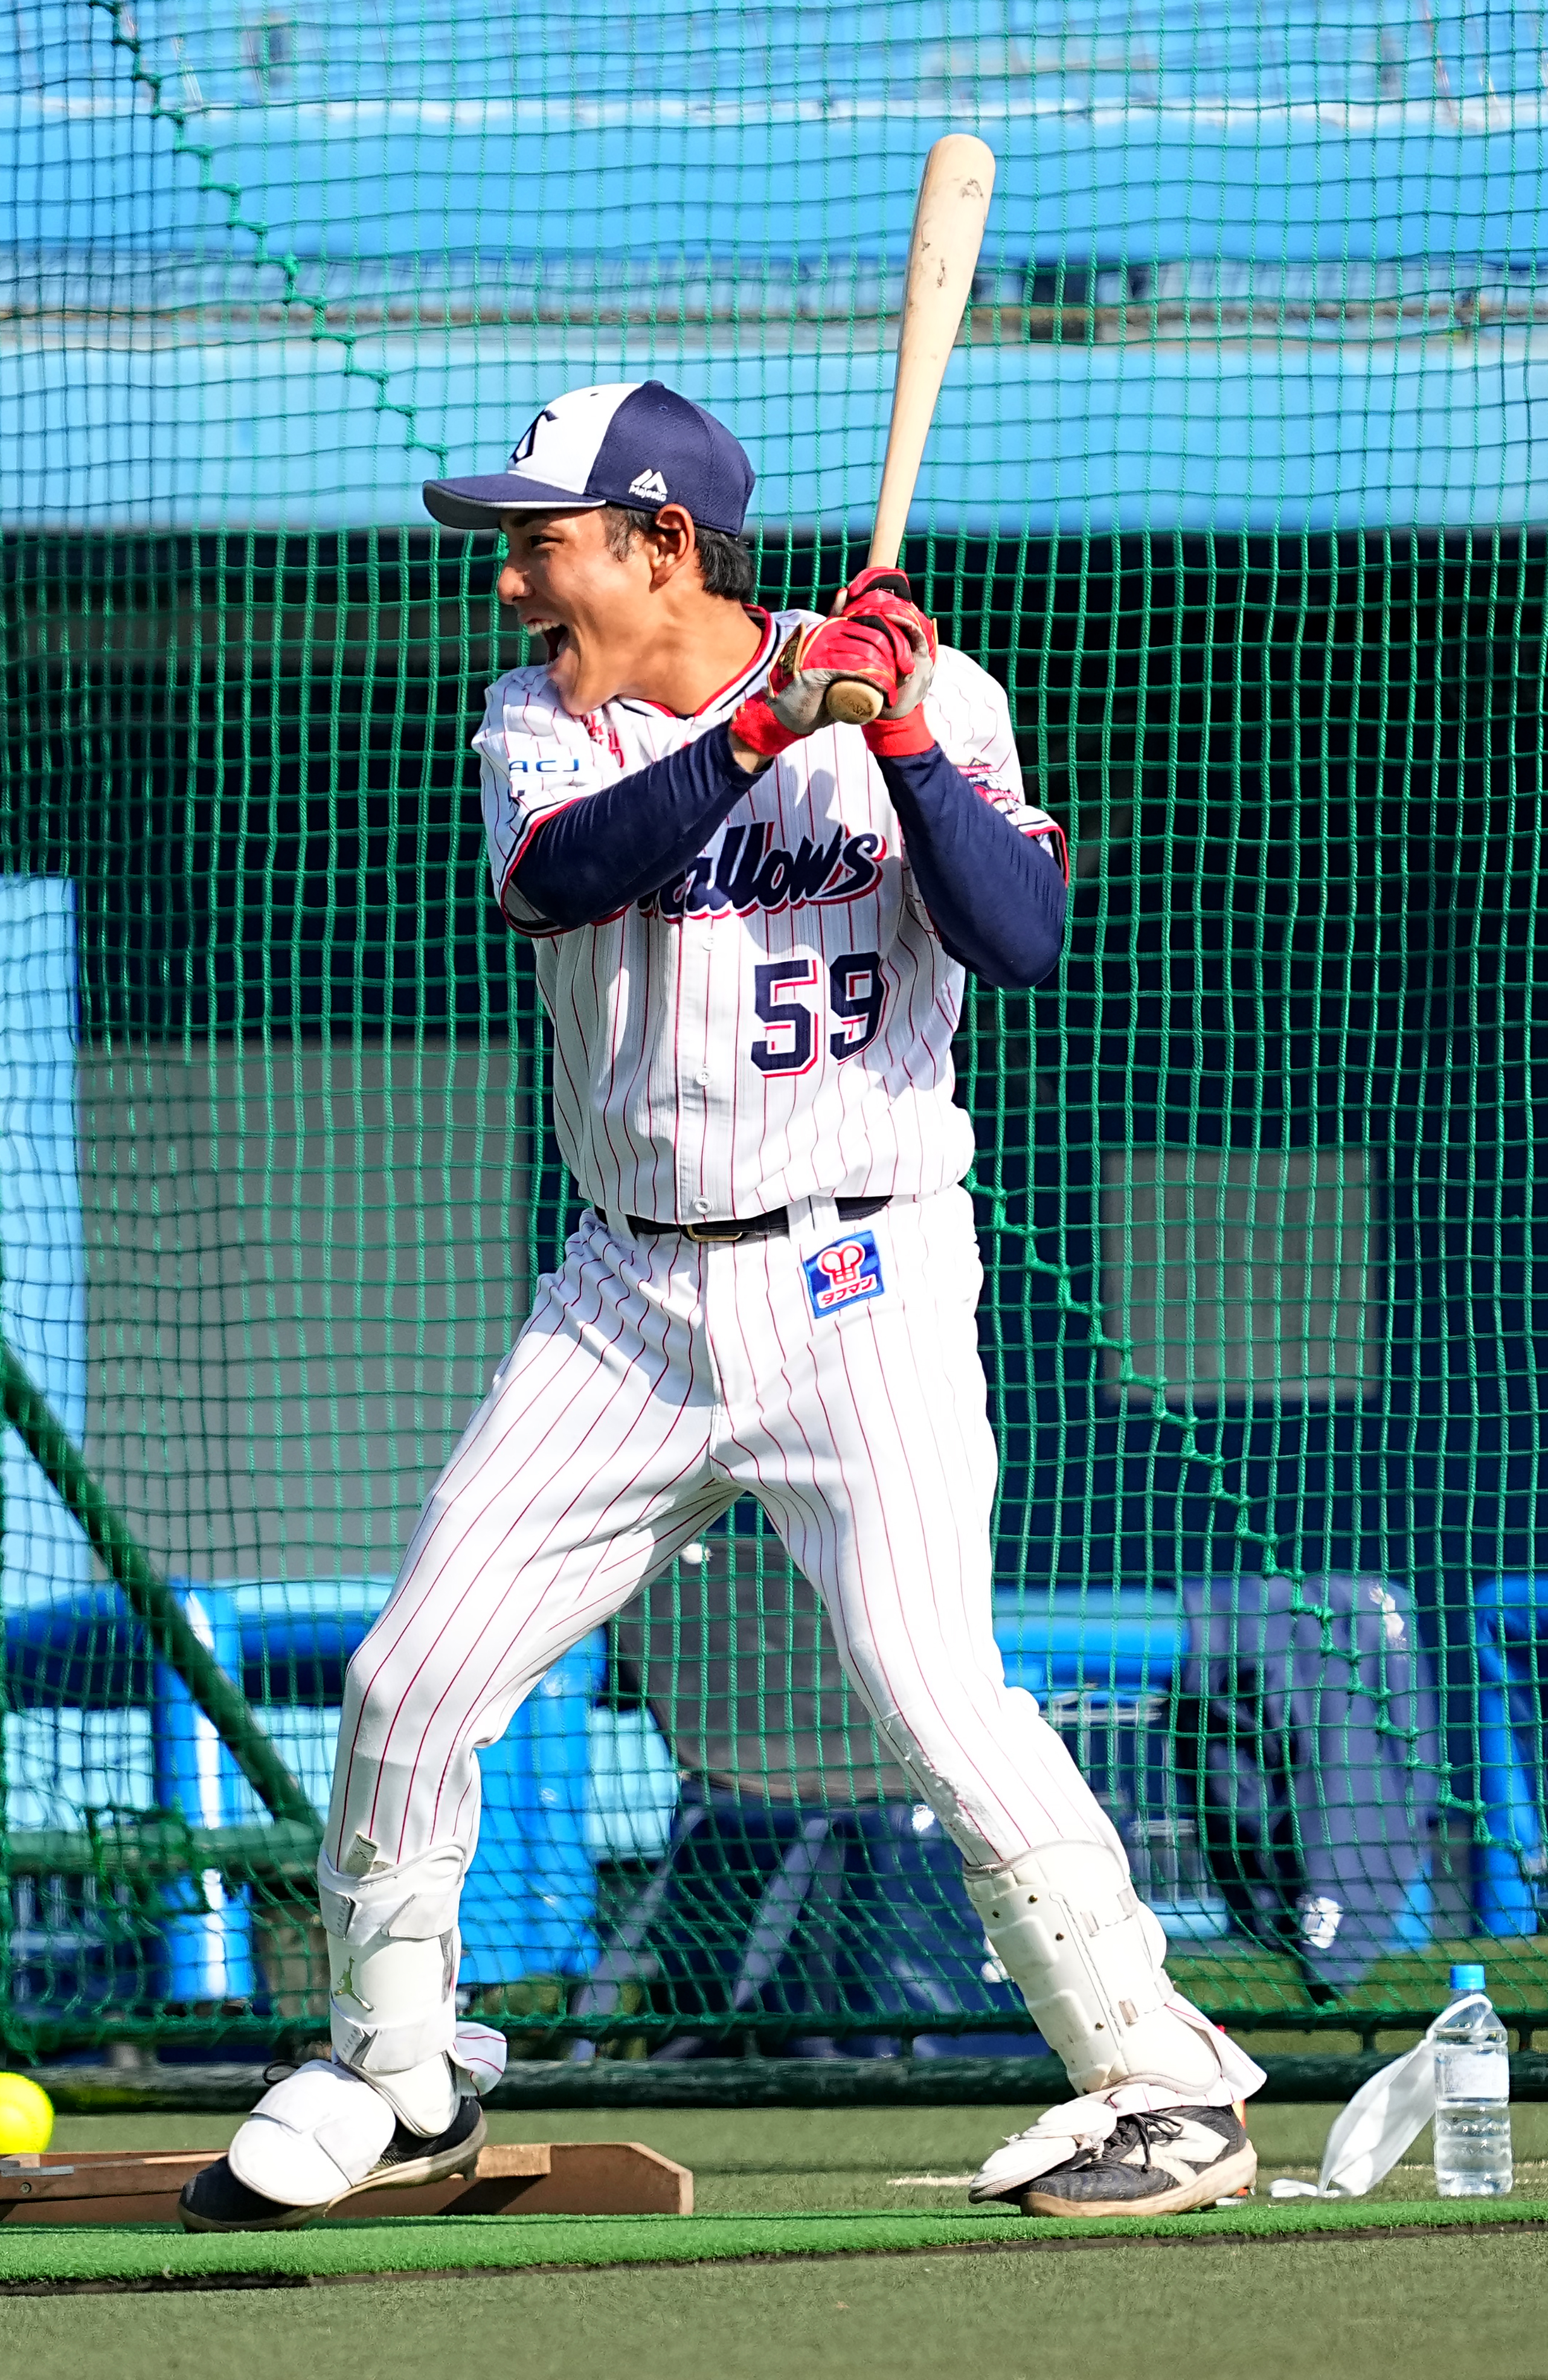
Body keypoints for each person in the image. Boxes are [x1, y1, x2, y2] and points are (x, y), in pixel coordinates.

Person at [179, 380, 1262, 2233]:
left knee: (933, 1685)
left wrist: (896, 733)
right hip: (628, 1294)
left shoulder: (937, 690)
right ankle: (400, 2071)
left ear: (662, 542)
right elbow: (560, 875)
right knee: (408, 1677)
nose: (516, 582)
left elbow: (1021, 933)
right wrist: (772, 718)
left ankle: (1164, 2085)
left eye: (545, 544)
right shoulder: (546, 719)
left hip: (867, 1275)